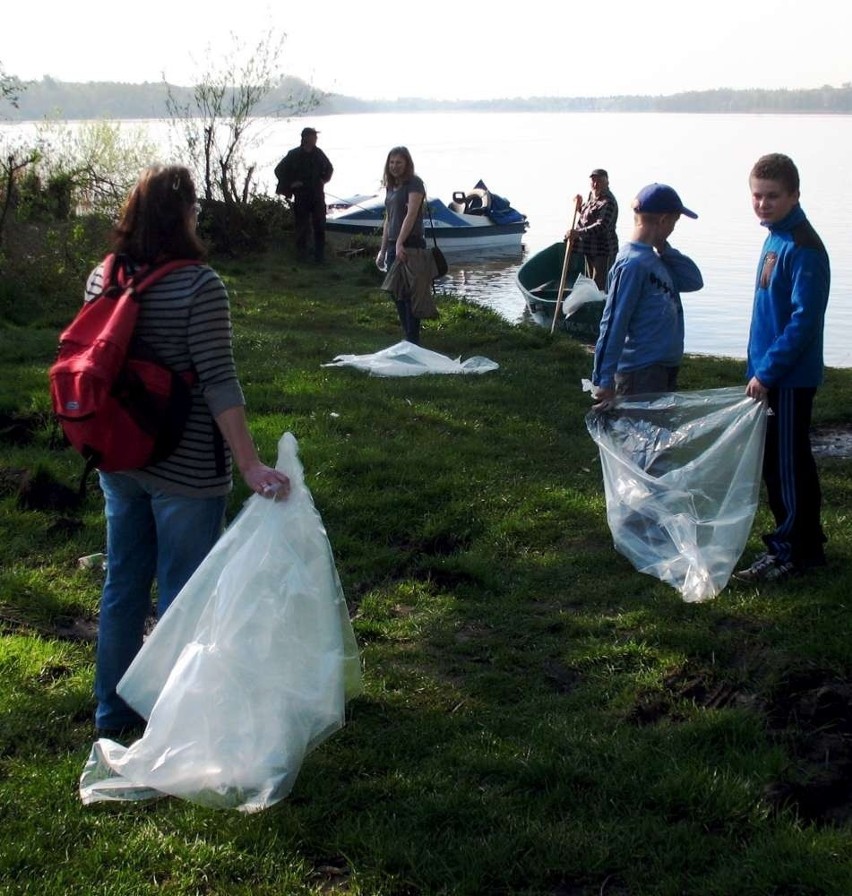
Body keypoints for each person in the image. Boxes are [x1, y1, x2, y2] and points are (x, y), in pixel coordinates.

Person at [90, 164, 291, 738]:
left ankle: (112, 714)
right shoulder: (200, 286)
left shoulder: (101, 275)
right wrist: (250, 464)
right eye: (195, 207)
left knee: (123, 586)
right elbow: (220, 382)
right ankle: (175, 725)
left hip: (119, 458)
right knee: (185, 595)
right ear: (183, 215)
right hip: (186, 466)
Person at [735, 153, 831, 583]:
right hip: (769, 375)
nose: (762, 204)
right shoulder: (774, 237)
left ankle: (793, 552)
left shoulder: (804, 247)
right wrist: (754, 368)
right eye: (757, 195)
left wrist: (768, 372)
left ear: (794, 195)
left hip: (789, 379)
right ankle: (804, 543)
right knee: (777, 463)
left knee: (788, 466)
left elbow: (802, 323)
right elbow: (767, 312)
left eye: (772, 196)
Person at [591, 183, 703, 407]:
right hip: (639, 371)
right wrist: (603, 379)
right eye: (674, 222)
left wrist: (665, 249)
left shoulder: (657, 259)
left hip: (663, 366)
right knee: (639, 438)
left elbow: (694, 280)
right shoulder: (631, 264)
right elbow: (614, 322)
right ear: (663, 220)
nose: (673, 228)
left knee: (657, 437)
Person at [375, 146, 427, 345]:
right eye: (391, 162)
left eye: (399, 162)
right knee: (395, 291)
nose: (395, 166)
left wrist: (400, 243)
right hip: (392, 245)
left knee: (409, 294)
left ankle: (413, 339)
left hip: (410, 244)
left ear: (407, 164)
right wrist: (382, 249)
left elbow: (411, 213)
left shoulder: (414, 183)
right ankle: (408, 334)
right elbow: (389, 218)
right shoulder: (391, 186)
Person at [274, 127, 334, 263]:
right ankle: (301, 257)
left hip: (317, 194)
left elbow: (330, 168)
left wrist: (323, 180)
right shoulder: (294, 154)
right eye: (313, 136)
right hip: (301, 195)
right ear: (306, 138)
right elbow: (278, 170)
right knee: (301, 226)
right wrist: (291, 184)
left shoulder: (319, 153)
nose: (316, 139)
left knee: (320, 225)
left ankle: (320, 257)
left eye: (316, 137)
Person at [567, 168, 619, 290]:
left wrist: (577, 233)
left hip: (603, 250)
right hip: (590, 248)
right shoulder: (592, 196)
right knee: (591, 283)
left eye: (599, 181)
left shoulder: (608, 202)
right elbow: (587, 216)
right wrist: (579, 206)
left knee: (599, 286)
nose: (595, 185)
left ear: (607, 182)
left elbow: (601, 226)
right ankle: (591, 304)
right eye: (593, 181)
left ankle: (599, 307)